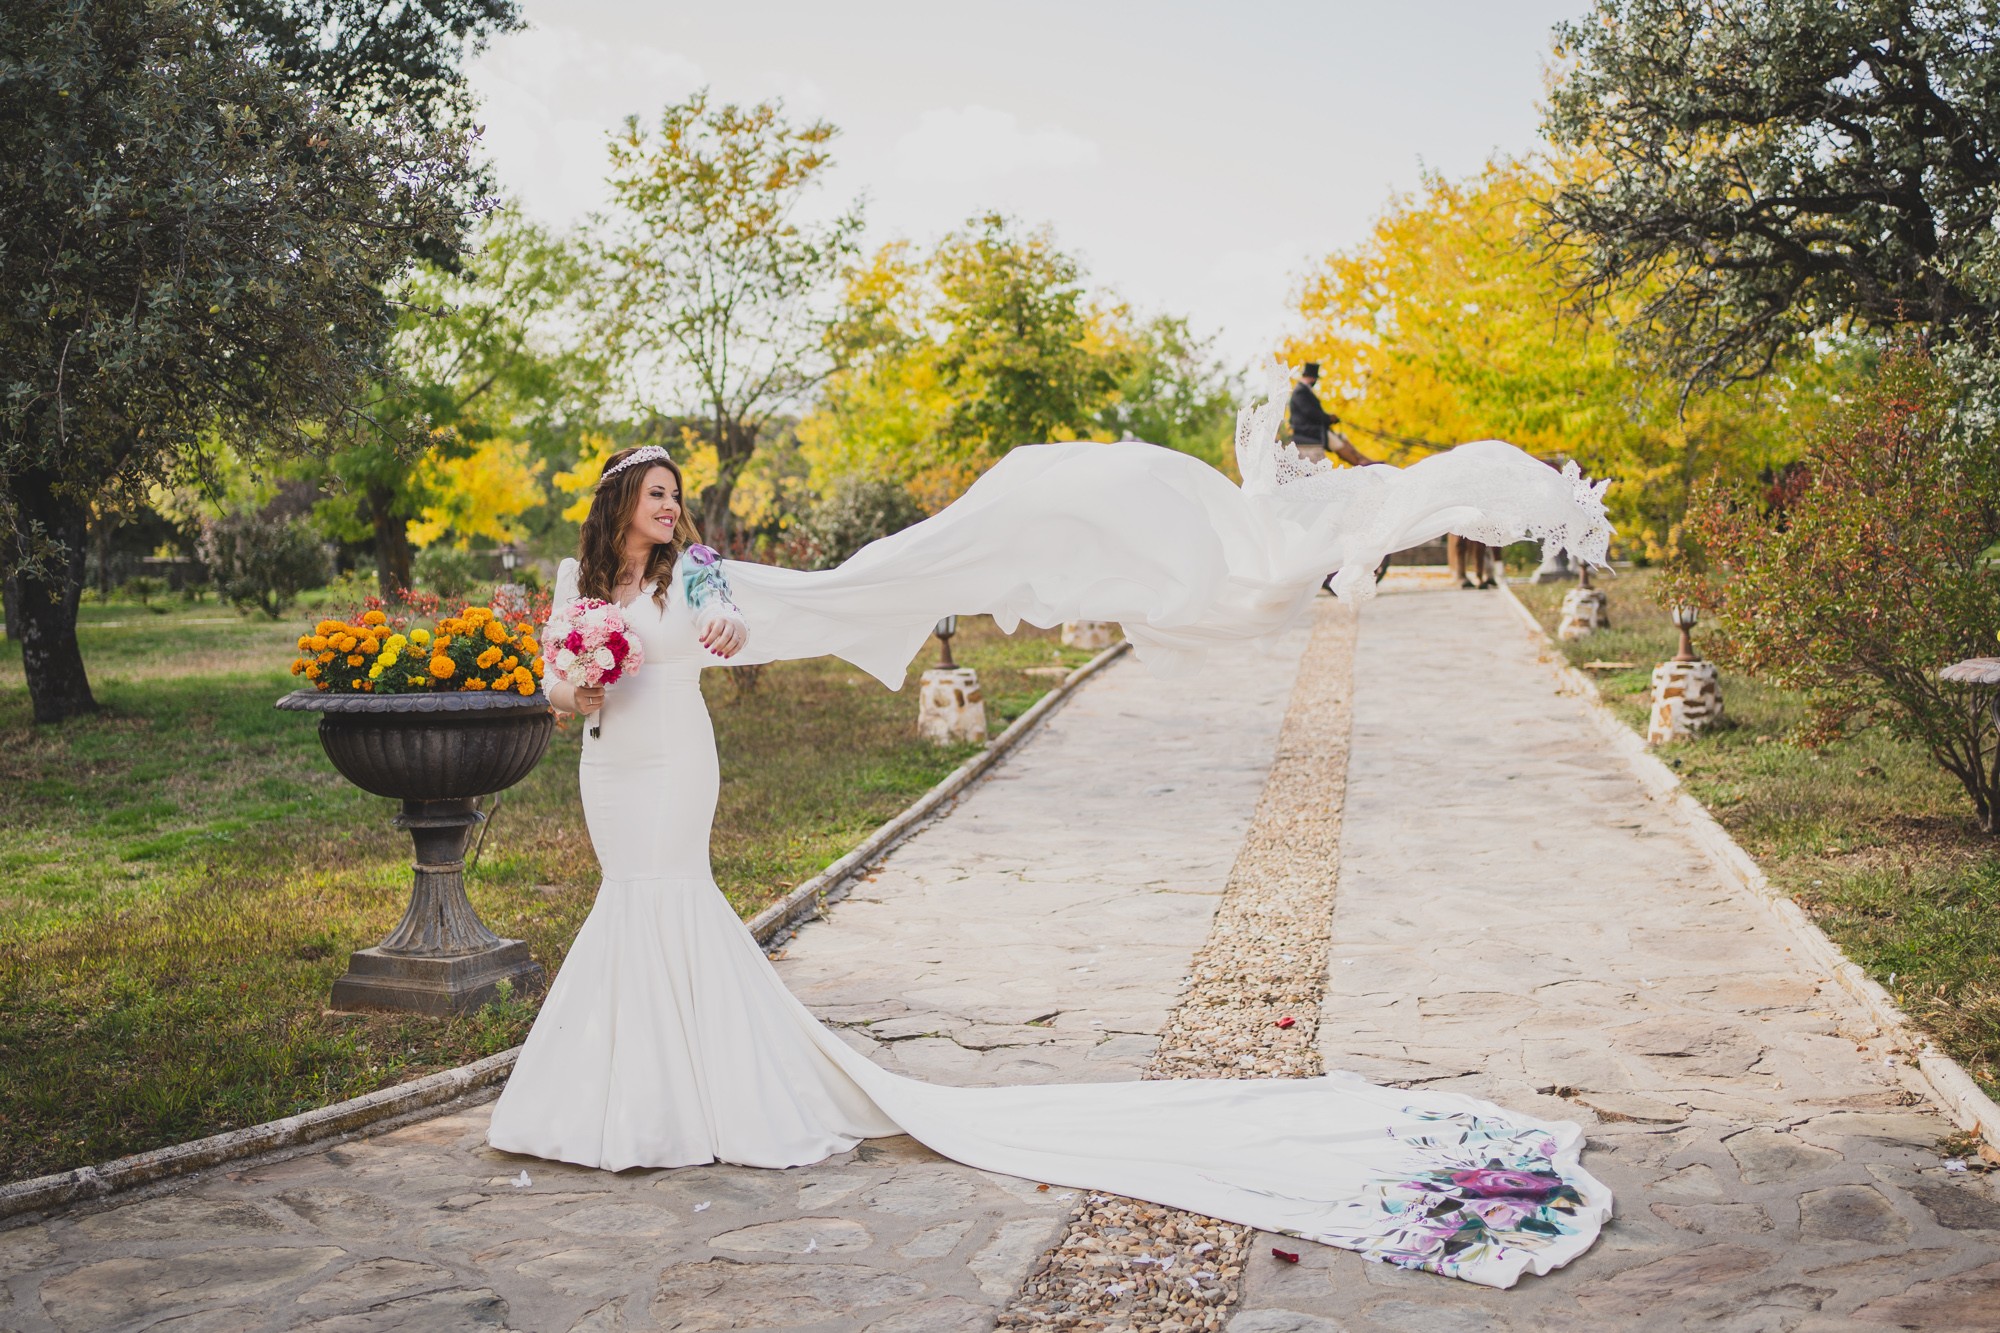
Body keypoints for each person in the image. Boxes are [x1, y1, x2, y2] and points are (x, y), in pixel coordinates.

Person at [487, 419, 1615, 1290]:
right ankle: (627, 1092)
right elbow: (552, 689)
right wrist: (578, 677)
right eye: (656, 499)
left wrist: (722, 625)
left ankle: (695, 1092)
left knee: (673, 900)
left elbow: (738, 629)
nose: (673, 512)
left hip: (679, 758)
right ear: (616, 511)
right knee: (626, 905)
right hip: (607, 760)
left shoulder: (704, 577)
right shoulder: (575, 589)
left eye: (676, 498)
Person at [1288, 362, 1382, 468]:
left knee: (1343, 437)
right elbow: (1310, 413)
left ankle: (1364, 460)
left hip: (1314, 429)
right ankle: (1358, 462)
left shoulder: (1303, 391)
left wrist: (1329, 418)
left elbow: (1313, 413)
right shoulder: (1301, 392)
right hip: (1309, 430)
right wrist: (1328, 418)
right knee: (1336, 442)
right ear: (1312, 378)